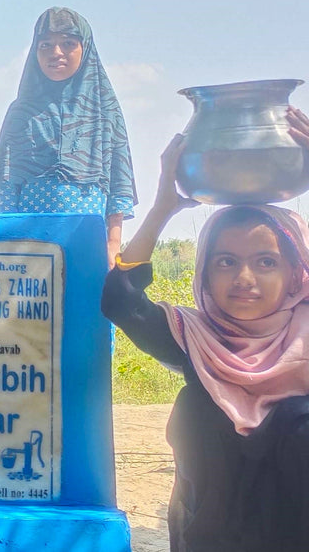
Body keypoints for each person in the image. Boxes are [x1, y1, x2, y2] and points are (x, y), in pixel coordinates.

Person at [103, 123, 309, 552]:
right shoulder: (195, 339)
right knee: (199, 405)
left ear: (295, 274)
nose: (244, 279)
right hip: (207, 540)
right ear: (205, 274)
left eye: (267, 262)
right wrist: (162, 208)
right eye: (226, 261)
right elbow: (121, 301)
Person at [0, 7, 137, 266]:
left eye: (68, 43)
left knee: (85, 305)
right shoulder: (21, 111)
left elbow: (118, 184)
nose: (56, 53)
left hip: (88, 244)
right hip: (30, 246)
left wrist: (112, 244)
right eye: (46, 45)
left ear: (85, 48)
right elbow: (7, 185)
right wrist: (7, 244)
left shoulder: (105, 110)